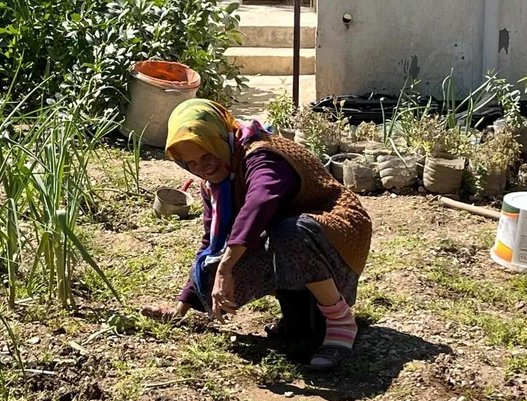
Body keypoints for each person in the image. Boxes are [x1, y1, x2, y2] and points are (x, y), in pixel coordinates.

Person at [141, 99, 372, 370]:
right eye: (191, 163)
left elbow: (260, 202)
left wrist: (227, 269)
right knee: (208, 275)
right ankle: (299, 321)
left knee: (288, 232)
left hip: (337, 234)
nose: (203, 168)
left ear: (220, 140)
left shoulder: (261, 154)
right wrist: (182, 306)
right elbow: (210, 243)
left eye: (207, 155)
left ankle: (339, 318)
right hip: (288, 246)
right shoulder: (213, 186)